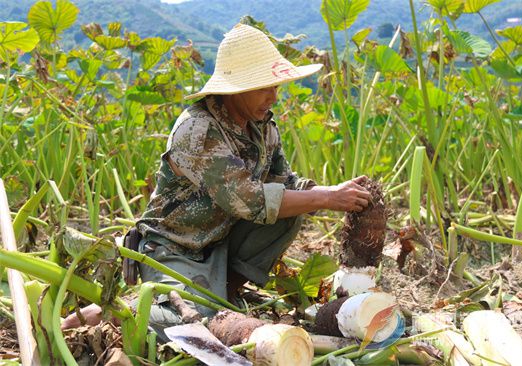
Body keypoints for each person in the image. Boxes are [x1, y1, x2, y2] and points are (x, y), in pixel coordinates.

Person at [62, 23, 372, 340]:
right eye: (265, 87)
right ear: (236, 88)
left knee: (289, 214)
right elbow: (250, 200)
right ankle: (109, 314)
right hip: (176, 247)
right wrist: (328, 198)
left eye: (276, 87)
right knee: (187, 328)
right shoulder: (198, 129)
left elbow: (286, 184)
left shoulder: (262, 127)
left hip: (220, 239)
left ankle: (223, 294)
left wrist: (338, 193)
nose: (273, 97)